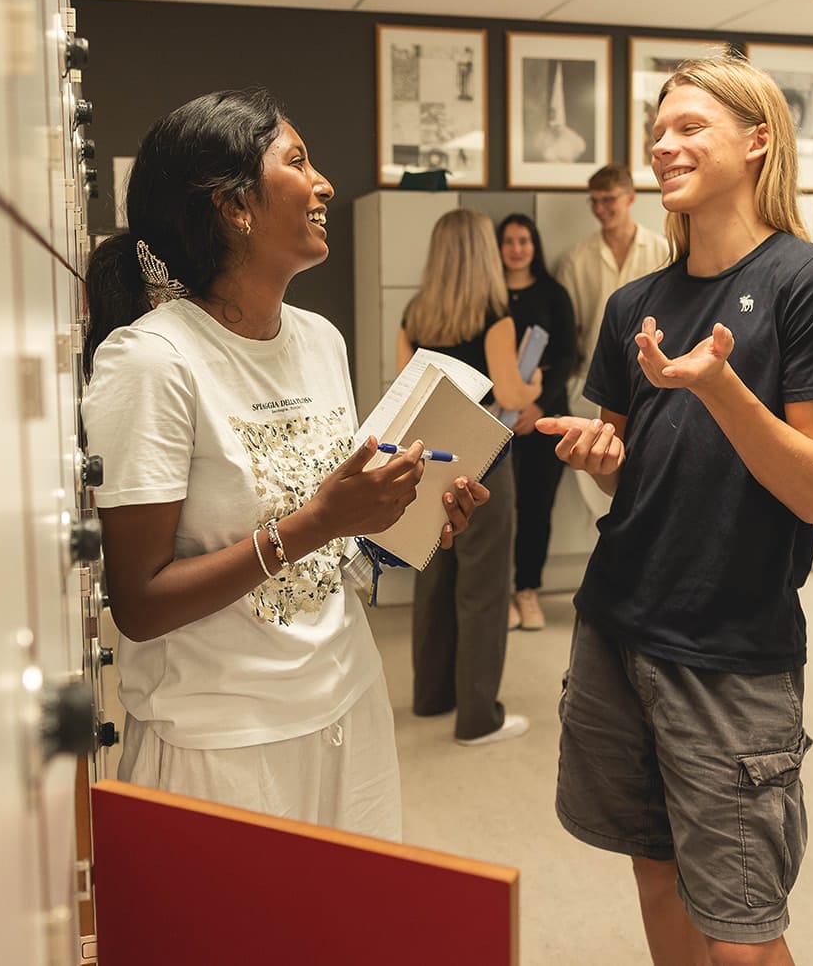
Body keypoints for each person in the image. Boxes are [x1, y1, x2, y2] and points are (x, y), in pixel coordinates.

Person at [81, 89, 489, 840]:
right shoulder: (152, 361)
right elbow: (138, 604)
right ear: (236, 206)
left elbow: (329, 544)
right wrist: (316, 524)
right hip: (223, 741)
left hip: (349, 699)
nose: (324, 184)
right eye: (298, 162)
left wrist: (402, 516)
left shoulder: (320, 339)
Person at [537, 56, 813, 964]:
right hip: (616, 625)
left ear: (758, 140)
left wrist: (720, 385)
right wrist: (602, 457)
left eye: (690, 127)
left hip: (728, 646)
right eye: (658, 130)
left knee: (743, 934)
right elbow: (627, 474)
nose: (664, 145)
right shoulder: (636, 303)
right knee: (655, 869)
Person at [397, 208, 542, 746]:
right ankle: (479, 717)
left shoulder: (414, 315)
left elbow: (407, 390)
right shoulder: (495, 316)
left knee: (434, 579)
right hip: (484, 463)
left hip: (428, 461)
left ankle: (432, 696)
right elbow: (509, 393)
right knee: (483, 587)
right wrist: (535, 382)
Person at [553, 164, 671, 516]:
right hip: (592, 388)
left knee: (644, 491)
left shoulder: (662, 252)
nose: (600, 208)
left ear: (630, 198)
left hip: (650, 387)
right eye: (594, 201)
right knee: (599, 496)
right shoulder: (576, 260)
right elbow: (567, 333)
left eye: (608, 199)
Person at [496, 213, 576, 631]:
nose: (516, 249)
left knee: (536, 507)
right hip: (495, 418)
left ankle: (527, 590)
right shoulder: (489, 293)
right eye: (508, 241)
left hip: (543, 419)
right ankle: (500, 592)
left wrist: (538, 407)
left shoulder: (553, 294)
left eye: (524, 241)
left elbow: (566, 356)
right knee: (497, 512)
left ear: (535, 246)